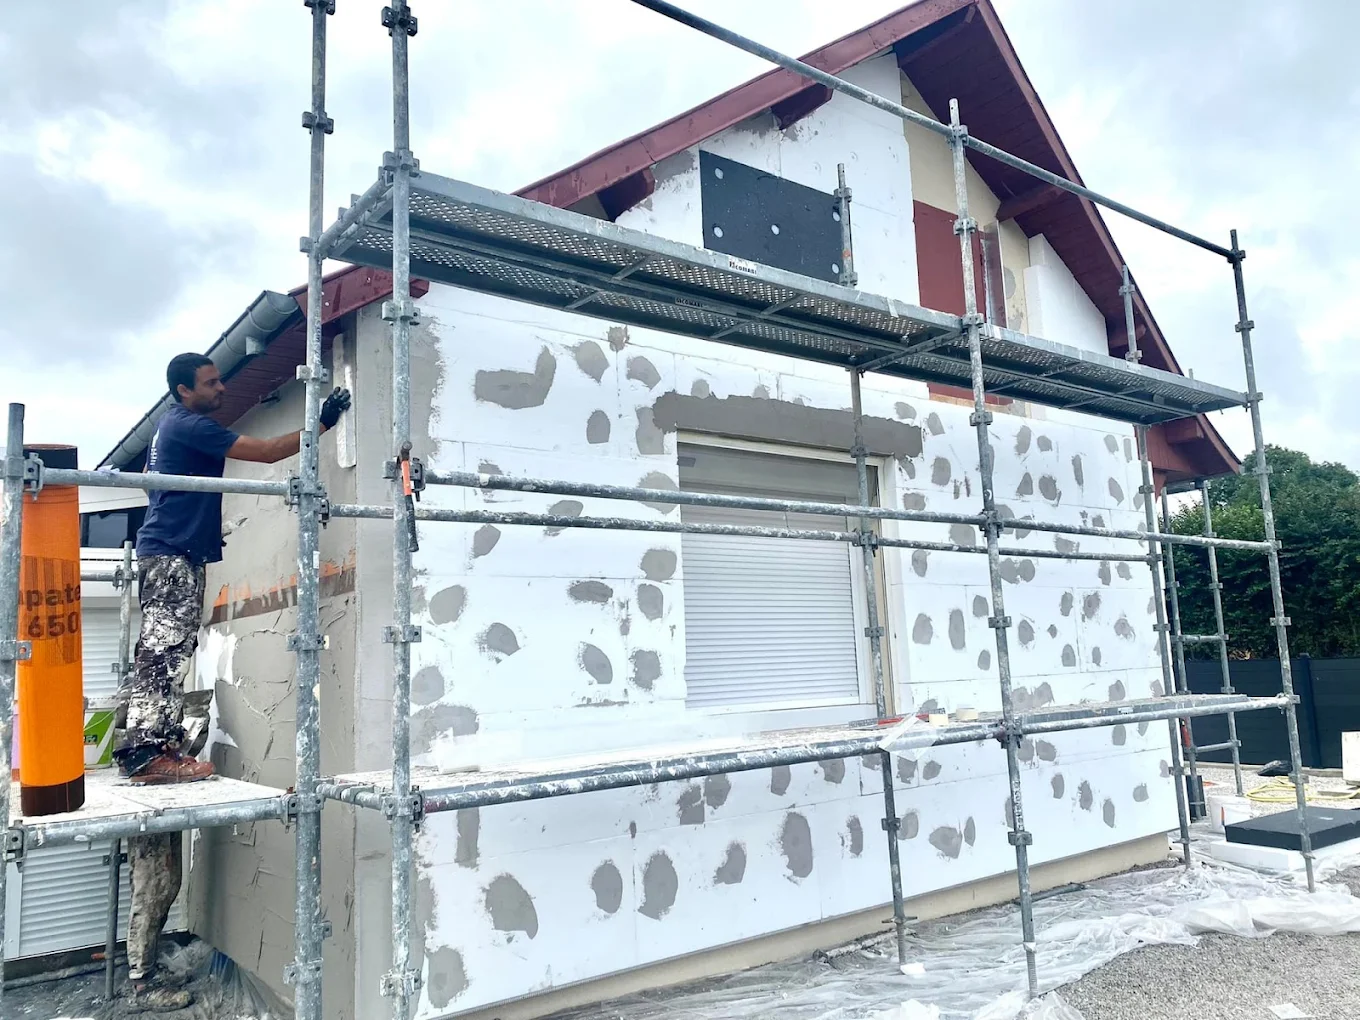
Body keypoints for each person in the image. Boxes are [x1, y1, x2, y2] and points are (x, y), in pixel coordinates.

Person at [113, 352, 350, 1008]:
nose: (220, 388)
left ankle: (150, 745)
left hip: (173, 553)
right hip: (171, 556)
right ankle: (144, 752)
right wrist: (322, 421)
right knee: (164, 653)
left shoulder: (179, 426)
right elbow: (269, 452)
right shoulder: (187, 425)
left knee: (167, 651)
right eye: (211, 382)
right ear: (183, 389)